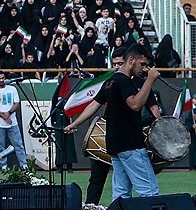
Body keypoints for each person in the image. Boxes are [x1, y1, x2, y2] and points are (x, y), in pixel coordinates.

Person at [64, 42, 161, 199]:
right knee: (149, 191)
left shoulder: (110, 81)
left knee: (121, 193)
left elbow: (93, 104)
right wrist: (149, 80)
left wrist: (75, 123)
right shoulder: (124, 81)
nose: (144, 69)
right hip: (131, 144)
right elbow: (135, 105)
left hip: (115, 145)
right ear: (131, 60)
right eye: (142, 64)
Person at [84, 49, 125, 204]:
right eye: (114, 64)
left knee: (126, 181)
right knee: (96, 178)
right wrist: (75, 123)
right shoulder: (109, 83)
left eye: (120, 63)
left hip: (127, 138)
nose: (116, 67)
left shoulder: (135, 84)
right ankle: (90, 209)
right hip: (107, 135)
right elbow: (95, 103)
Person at [0, 71, 29, 172]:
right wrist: (3, 116)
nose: (1, 80)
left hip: (12, 122)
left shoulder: (12, 89)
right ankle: (3, 166)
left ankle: (23, 165)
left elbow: (16, 104)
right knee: (1, 147)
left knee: (18, 145)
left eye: (3, 78)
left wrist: (8, 113)